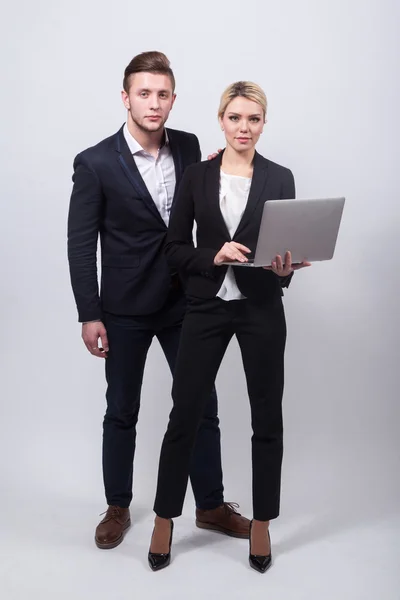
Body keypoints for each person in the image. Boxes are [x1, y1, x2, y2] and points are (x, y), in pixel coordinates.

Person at [67, 52, 250, 550]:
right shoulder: (97, 161)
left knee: (200, 403)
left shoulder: (189, 147)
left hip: (185, 300)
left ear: (173, 99)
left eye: (162, 93)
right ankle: (118, 506)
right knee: (121, 409)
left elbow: (206, 205)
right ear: (125, 97)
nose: (154, 103)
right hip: (123, 308)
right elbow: (81, 245)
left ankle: (210, 505)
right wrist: (90, 313)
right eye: (143, 93)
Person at [148, 81, 311, 572]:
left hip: (261, 306)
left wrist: (284, 270)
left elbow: (283, 248)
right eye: (235, 118)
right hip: (207, 305)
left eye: (253, 119)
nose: (244, 128)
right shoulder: (197, 176)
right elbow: (174, 247)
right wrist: (212, 255)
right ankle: (164, 517)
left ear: (264, 124)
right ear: (221, 120)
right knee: (186, 414)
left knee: (268, 415)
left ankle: (262, 523)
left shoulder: (281, 178)